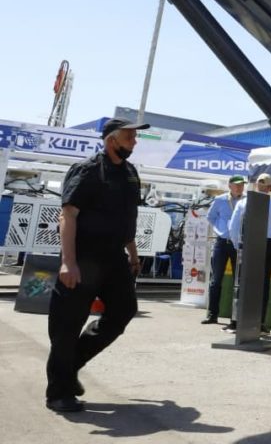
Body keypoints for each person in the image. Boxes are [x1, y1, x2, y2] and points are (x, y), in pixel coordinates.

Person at [45, 118, 148, 413]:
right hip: (82, 257)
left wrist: (132, 252)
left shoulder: (130, 173)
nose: (134, 142)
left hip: (115, 257)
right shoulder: (87, 170)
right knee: (66, 326)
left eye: (134, 137)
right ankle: (58, 393)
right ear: (111, 140)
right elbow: (68, 216)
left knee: (123, 311)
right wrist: (68, 263)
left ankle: (71, 364)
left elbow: (128, 218)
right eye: (129, 137)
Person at [227, 173, 271, 333]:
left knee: (242, 281)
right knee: (264, 283)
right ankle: (260, 323)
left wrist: (237, 245)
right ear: (270, 187)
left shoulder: (243, 203)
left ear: (256, 185)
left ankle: (236, 321)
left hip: (247, 243)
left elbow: (233, 227)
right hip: (267, 243)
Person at [201, 174, 246, 325]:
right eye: (237, 185)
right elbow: (210, 217)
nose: (240, 187)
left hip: (238, 243)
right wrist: (219, 230)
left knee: (238, 280)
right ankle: (212, 314)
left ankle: (236, 317)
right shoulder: (220, 200)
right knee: (216, 280)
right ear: (230, 186)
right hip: (222, 242)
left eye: (242, 185)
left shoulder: (247, 201)